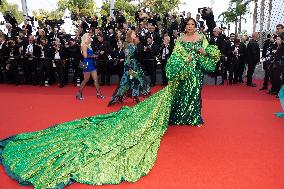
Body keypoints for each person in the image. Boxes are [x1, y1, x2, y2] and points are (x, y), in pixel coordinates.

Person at [0, 18, 220, 189]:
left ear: (196, 26)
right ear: (185, 27)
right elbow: (175, 58)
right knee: (174, 96)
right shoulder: (180, 40)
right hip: (182, 74)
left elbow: (211, 53)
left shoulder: (202, 38)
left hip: (194, 74)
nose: (190, 27)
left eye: (193, 24)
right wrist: (185, 60)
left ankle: (190, 117)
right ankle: (175, 115)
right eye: (188, 25)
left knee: (193, 97)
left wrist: (202, 53)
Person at [108, 30, 150, 106]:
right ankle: (117, 98)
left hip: (134, 65)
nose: (135, 34)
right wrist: (129, 68)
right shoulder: (127, 45)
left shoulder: (132, 44)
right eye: (134, 33)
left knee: (132, 81)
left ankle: (133, 96)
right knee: (130, 81)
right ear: (130, 35)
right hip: (130, 67)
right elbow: (127, 57)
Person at [75, 33, 105, 100]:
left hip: (91, 64)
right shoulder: (84, 45)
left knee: (96, 79)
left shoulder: (88, 46)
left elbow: (89, 54)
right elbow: (85, 56)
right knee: (86, 80)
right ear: (85, 38)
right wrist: (94, 56)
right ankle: (78, 93)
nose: (90, 38)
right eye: (88, 37)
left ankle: (99, 94)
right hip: (86, 64)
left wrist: (94, 55)